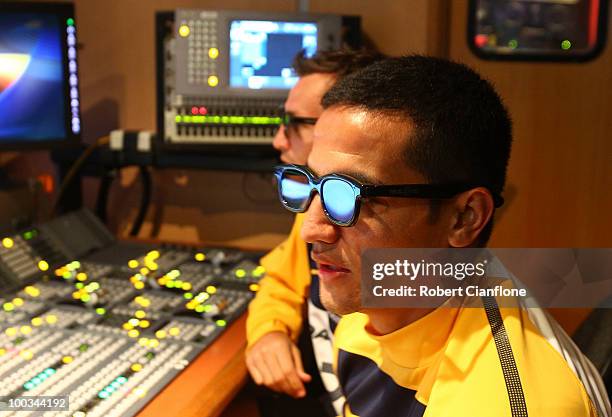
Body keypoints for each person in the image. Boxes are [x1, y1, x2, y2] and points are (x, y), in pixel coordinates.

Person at [273, 55, 611, 416]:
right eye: (312, 184)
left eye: (348, 194)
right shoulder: (377, 301)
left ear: (464, 218)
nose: (311, 230)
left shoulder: (503, 402)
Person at [246, 49, 385, 417]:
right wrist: (269, 331)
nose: (279, 140)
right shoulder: (316, 205)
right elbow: (285, 281)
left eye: (294, 123)